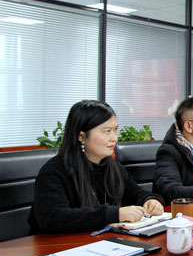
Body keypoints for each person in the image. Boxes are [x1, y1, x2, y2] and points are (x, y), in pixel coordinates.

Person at [28, 100, 164, 234]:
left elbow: (136, 194)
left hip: (98, 240)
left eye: (115, 130)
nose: (114, 137)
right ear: (81, 136)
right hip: (55, 245)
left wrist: (150, 201)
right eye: (107, 131)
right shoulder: (54, 172)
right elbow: (53, 217)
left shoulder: (111, 166)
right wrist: (114, 214)